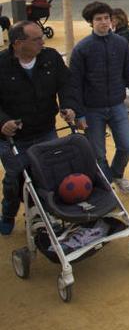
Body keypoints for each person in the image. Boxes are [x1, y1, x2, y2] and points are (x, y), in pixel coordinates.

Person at [0, 21, 76, 235]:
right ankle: (8, 213)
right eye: (36, 39)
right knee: (16, 179)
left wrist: (69, 106)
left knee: (47, 174)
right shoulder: (1, 65)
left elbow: (66, 84)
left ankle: (42, 214)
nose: (43, 41)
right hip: (13, 138)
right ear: (18, 44)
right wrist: (2, 121)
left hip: (45, 129)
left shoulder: (50, 57)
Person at [69, 2, 129, 195]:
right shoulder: (82, 49)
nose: (104, 22)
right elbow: (75, 84)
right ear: (90, 22)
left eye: (106, 18)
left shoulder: (121, 43)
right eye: (98, 19)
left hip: (117, 105)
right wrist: (79, 113)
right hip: (92, 109)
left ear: (112, 20)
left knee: (127, 145)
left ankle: (116, 175)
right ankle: (105, 187)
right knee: (98, 153)